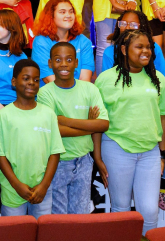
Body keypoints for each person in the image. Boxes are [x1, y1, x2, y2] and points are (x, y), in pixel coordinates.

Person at [93, 29, 165, 235]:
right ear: (125, 50)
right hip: (116, 148)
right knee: (121, 208)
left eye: (149, 47)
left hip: (150, 152)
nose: (146, 51)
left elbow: (163, 117)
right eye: (140, 47)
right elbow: (98, 121)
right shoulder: (106, 79)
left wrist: (162, 154)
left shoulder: (158, 78)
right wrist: (98, 156)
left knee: (150, 210)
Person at [37, 45, 107, 214]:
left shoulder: (90, 89)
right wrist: (88, 125)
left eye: (69, 60)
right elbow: (53, 130)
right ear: (50, 63)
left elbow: (103, 124)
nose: (63, 64)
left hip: (84, 161)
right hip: (57, 162)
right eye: (58, 60)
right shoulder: (45, 93)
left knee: (80, 215)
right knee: (58, 217)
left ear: (76, 63)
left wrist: (64, 120)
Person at [0, 59, 64, 218]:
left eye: (36, 80)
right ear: (14, 81)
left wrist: (44, 186)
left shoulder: (48, 114)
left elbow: (55, 152)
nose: (32, 83)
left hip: (42, 190)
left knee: (42, 232)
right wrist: (17, 185)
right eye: (26, 78)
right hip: (13, 189)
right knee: (14, 233)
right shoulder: (3, 115)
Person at [32, 0, 94, 84]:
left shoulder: (84, 41)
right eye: (62, 12)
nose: (68, 15)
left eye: (71, 11)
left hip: (78, 94)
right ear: (51, 16)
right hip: (51, 94)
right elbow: (48, 79)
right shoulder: (40, 41)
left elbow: (85, 80)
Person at [99, 10, 165, 80]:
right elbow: (107, 81)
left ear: (141, 27)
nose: (127, 28)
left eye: (133, 25)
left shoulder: (153, 48)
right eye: (123, 23)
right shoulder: (110, 52)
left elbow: (163, 78)